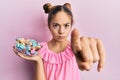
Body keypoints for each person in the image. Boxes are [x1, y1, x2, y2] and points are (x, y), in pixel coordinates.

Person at [13, 3, 105, 80]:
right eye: (56, 25)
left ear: (71, 25)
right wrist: (38, 61)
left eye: (66, 25)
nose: (61, 31)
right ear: (49, 26)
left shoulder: (75, 49)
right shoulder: (40, 49)